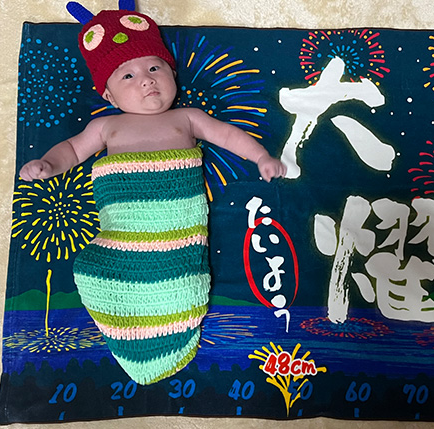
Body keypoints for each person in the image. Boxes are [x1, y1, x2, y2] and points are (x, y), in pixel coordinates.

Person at [18, 1, 286, 385]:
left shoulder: (186, 118)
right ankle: (124, 323)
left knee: (179, 280)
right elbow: (73, 151)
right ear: (109, 96)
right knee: (95, 269)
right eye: (128, 76)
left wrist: (260, 157)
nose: (146, 80)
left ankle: (170, 327)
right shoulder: (106, 127)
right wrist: (47, 164)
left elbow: (227, 135)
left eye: (154, 69)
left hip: (175, 233)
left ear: (172, 73)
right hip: (124, 230)